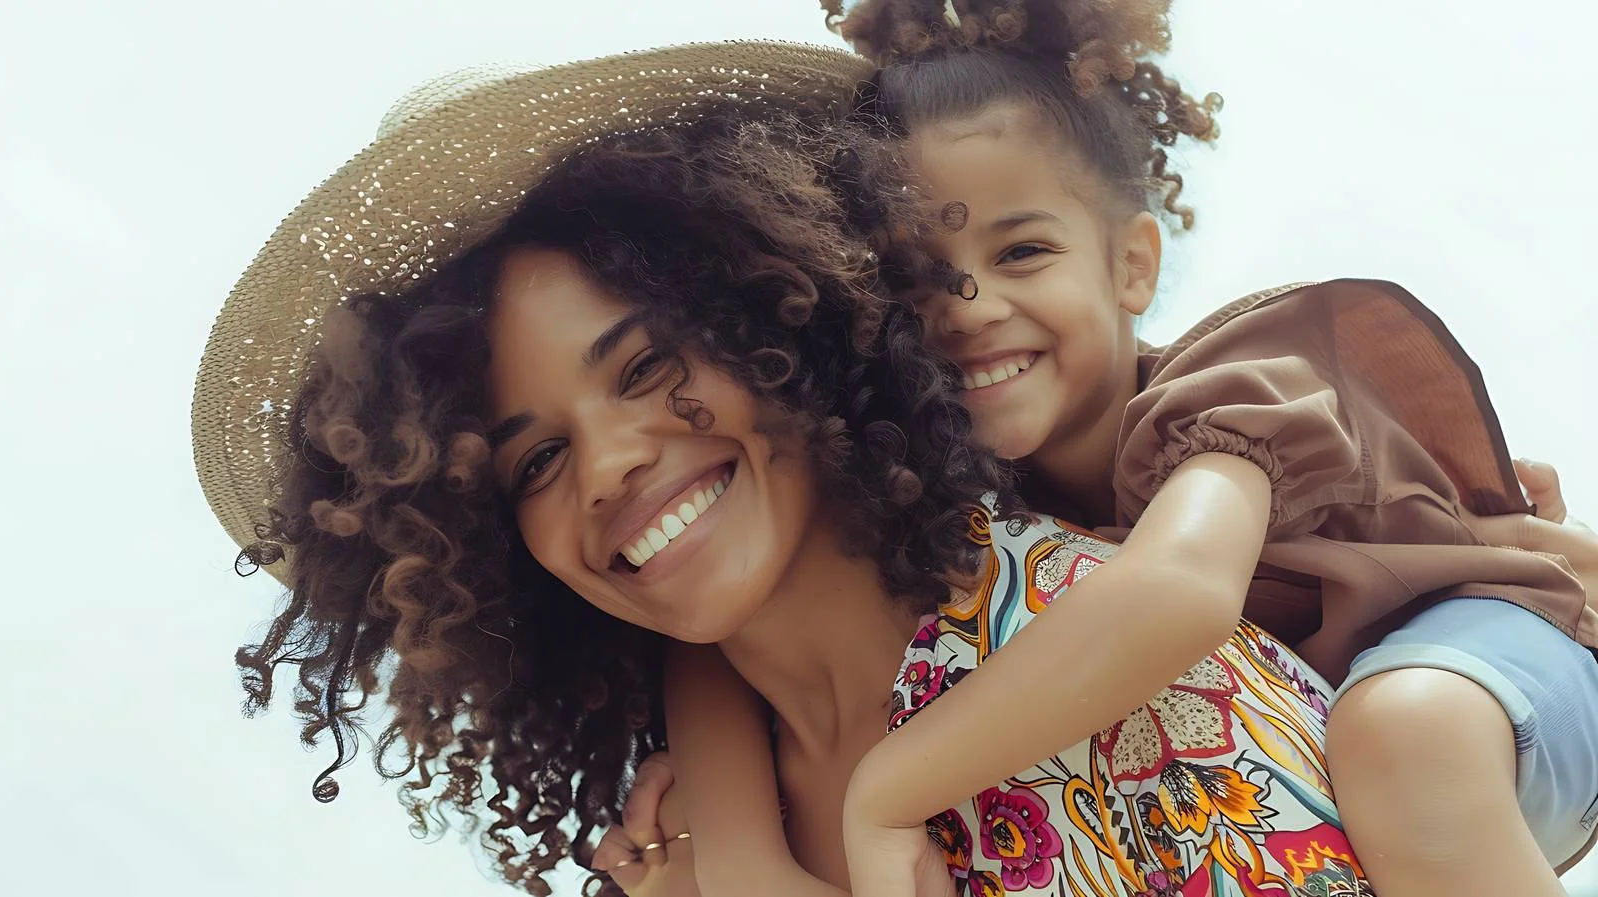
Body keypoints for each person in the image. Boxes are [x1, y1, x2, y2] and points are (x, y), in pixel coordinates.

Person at [193, 43, 1394, 897]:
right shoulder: (698, 830)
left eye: (647, 364)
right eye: (537, 461)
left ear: (788, 315)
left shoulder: (1096, 652)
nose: (609, 464)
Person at [652, 3, 1598, 896]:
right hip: (1318, 737)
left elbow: (1179, 590)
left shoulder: (1226, 393)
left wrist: (888, 792)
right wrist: (741, 859)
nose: (970, 309)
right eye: (917, 279)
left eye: (1021, 252)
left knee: (1404, 731)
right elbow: (726, 625)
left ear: (1131, 263)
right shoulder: (958, 494)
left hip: (1478, 666)